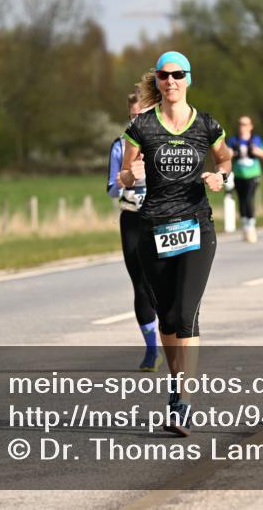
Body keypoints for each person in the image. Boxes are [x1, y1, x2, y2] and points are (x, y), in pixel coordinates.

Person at [118, 50, 230, 435]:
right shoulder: (142, 127)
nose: (171, 81)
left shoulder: (207, 124)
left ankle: (183, 400)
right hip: (154, 228)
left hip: (197, 225)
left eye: (178, 74)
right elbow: (123, 176)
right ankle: (175, 387)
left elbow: (225, 160)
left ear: (188, 78)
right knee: (167, 317)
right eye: (164, 76)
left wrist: (221, 177)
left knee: (185, 314)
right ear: (158, 82)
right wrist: (130, 175)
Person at [108, 92, 160, 372]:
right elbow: (111, 188)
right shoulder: (119, 146)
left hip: (162, 219)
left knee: (164, 284)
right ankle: (152, 350)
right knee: (140, 284)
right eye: (132, 116)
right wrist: (123, 180)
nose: (136, 120)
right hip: (132, 219)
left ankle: (176, 336)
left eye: (142, 115)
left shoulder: (164, 144)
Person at [226, 116, 263, 243]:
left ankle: (251, 227)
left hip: (253, 175)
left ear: (251, 126)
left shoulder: (255, 139)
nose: (242, 126)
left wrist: (256, 150)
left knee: (249, 199)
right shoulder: (233, 140)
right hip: (238, 175)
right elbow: (226, 154)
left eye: (245, 124)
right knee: (242, 200)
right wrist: (232, 152)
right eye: (240, 124)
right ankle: (244, 226)